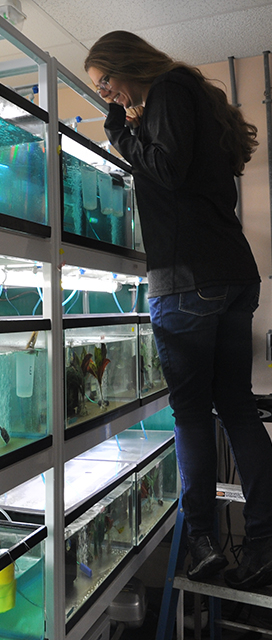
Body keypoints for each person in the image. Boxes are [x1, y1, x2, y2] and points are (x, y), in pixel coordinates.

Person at [84, 31, 272, 589]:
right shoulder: (191, 98)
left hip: (188, 280)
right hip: (232, 275)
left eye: (105, 82)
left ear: (126, 64)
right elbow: (182, 175)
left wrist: (120, 131)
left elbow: (164, 170)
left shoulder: (166, 90)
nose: (106, 94)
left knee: (191, 414)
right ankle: (263, 543)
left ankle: (204, 541)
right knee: (236, 408)